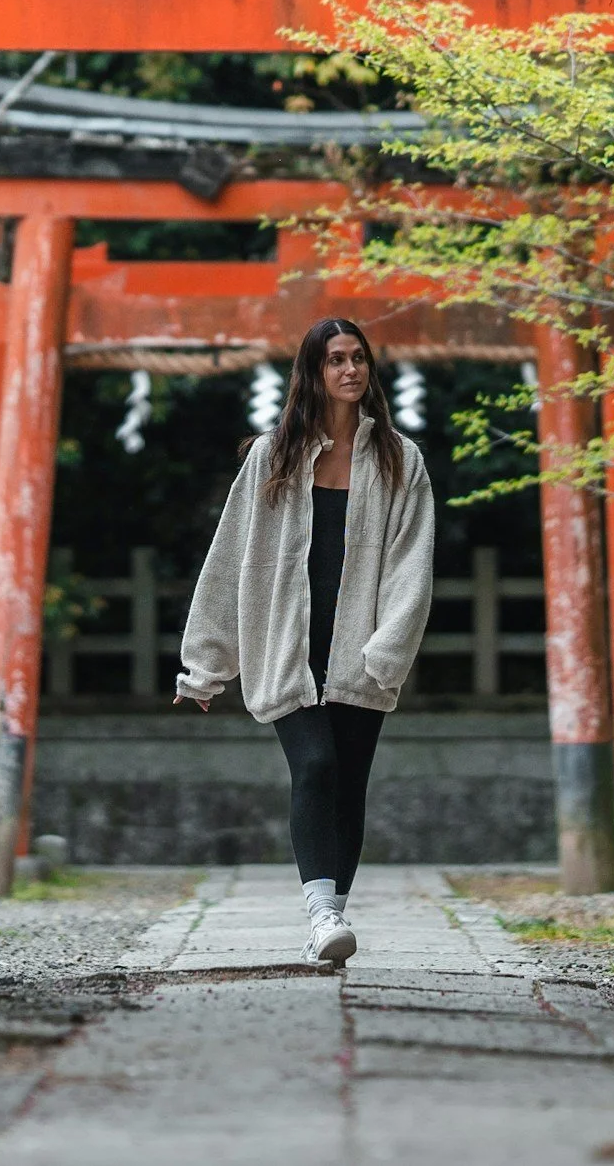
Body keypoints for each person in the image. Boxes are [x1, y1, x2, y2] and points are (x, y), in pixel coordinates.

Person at [175, 317, 436, 964]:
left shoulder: (399, 459)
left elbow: (412, 567)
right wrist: (206, 665)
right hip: (285, 646)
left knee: (349, 784)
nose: (350, 370)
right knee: (315, 766)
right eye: (335, 360)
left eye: (358, 358)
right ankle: (321, 913)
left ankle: (332, 918)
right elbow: (229, 556)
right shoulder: (273, 455)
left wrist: (386, 651)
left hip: (361, 653)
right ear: (312, 372)